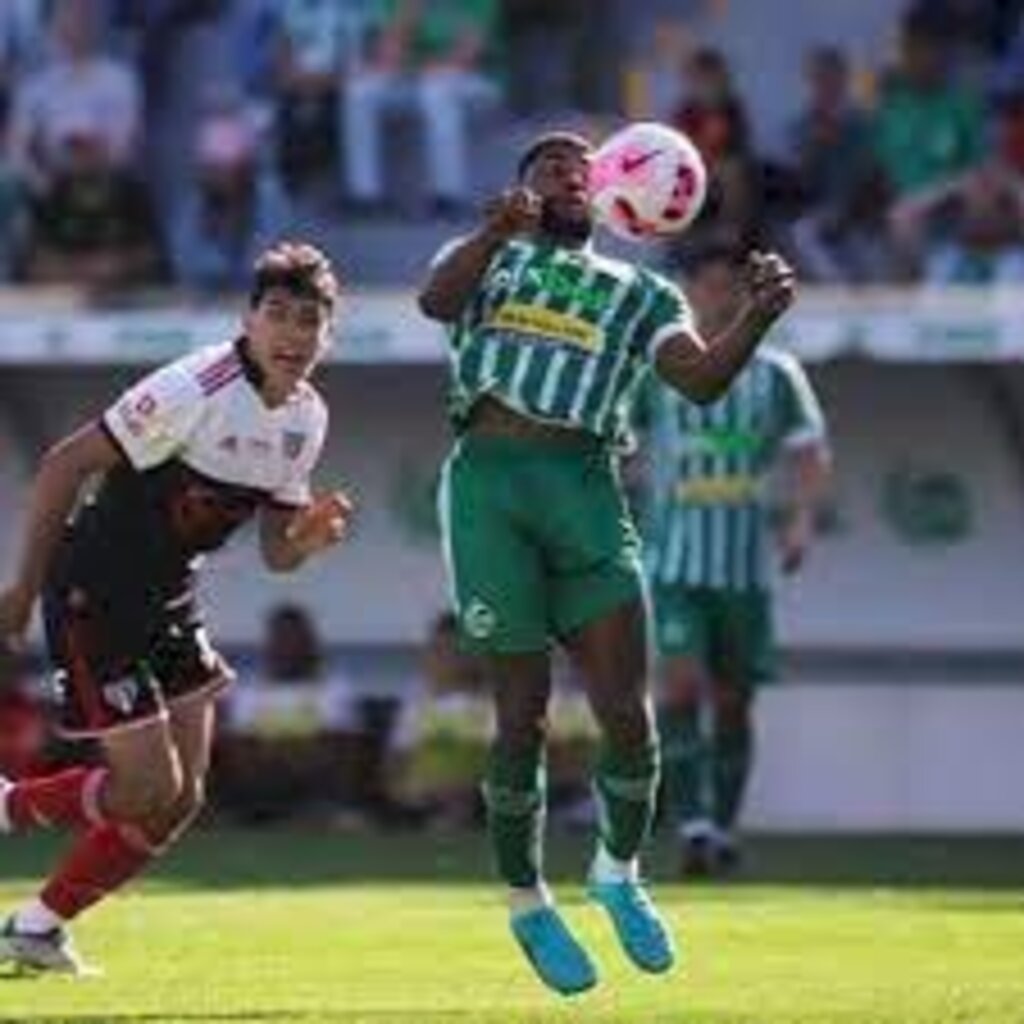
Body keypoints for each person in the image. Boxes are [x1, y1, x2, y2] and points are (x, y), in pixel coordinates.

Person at [418, 130, 796, 996]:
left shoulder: (642, 290)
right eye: (545, 163)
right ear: (519, 188)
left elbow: (698, 380)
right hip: (490, 487)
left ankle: (618, 874)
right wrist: (491, 237)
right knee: (522, 719)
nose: (564, 171)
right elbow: (435, 304)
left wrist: (757, 315)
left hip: (586, 485)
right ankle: (526, 900)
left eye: (579, 165)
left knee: (628, 711)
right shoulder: (483, 258)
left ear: (613, 192)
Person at [0, 241, 352, 975]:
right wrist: (22, 591)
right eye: (277, 314)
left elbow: (276, 555)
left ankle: (36, 928)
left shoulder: (307, 418)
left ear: (328, 333)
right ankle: (9, 806)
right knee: (144, 789)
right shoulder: (197, 385)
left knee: (180, 799)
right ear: (248, 321)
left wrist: (307, 540)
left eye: (309, 320)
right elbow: (65, 463)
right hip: (95, 593)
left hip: (168, 600)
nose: (292, 333)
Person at [646, 244, 830, 877]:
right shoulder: (660, 368)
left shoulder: (775, 372)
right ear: (689, 291)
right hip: (671, 562)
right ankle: (692, 825)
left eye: (731, 286)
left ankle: (723, 827)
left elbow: (808, 450)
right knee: (680, 683)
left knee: (733, 701)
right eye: (708, 284)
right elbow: (618, 442)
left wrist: (803, 517)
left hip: (743, 570)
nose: (719, 297)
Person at [215, 603, 359, 824]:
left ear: (310, 644)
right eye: (281, 639)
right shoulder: (249, 691)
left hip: (316, 791)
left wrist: (276, 752)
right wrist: (289, 752)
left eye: (295, 640)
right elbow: (239, 750)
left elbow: (336, 750)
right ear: (270, 644)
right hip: (257, 791)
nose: (288, 648)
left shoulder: (334, 690)